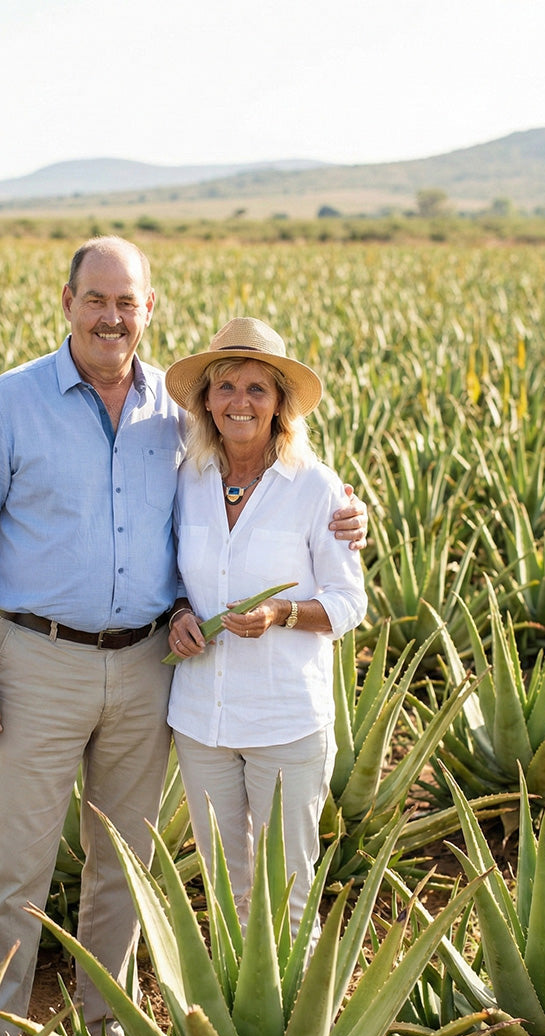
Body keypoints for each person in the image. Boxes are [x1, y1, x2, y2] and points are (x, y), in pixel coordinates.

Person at [0, 238, 367, 1036]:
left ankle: (108, 1034)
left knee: (124, 864)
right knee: (11, 864)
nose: (111, 318)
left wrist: (353, 510)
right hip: (36, 661)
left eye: (126, 303)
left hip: (145, 669)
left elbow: (281, 482)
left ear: (149, 309)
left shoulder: (177, 420)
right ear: (67, 301)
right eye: (96, 299)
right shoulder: (11, 402)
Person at [164, 317, 367, 934]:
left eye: (258, 388)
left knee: (289, 888)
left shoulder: (316, 487)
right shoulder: (187, 479)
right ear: (207, 400)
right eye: (226, 387)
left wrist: (282, 613)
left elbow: (348, 603)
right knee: (226, 884)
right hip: (203, 719)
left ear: (279, 404)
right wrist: (177, 613)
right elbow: (171, 573)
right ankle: (234, 1020)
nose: (240, 402)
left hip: (285, 719)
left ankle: (299, 1026)